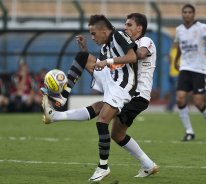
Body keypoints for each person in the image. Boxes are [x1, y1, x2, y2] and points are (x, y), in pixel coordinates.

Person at [41, 13, 159, 182]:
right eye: (125, 25)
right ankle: (148, 164)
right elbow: (100, 65)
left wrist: (114, 57)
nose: (126, 28)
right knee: (115, 132)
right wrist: (86, 53)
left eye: (129, 25)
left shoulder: (145, 41)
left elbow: (137, 55)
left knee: (103, 119)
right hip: (120, 85)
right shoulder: (112, 44)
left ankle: (103, 167)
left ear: (139, 28)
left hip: (137, 93)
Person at [174, 4, 206, 142]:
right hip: (185, 68)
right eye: (185, 12)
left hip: (200, 69)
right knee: (180, 98)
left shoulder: (202, 28)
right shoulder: (179, 30)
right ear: (182, 14)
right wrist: (176, 61)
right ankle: (189, 131)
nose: (187, 14)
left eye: (189, 12)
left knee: (198, 101)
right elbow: (180, 47)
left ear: (193, 14)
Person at [166, 43, 180, 112]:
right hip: (171, 74)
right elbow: (169, 61)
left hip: (178, 74)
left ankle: (170, 107)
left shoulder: (180, 51)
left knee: (174, 91)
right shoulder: (171, 50)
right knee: (173, 91)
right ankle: (185, 106)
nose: (173, 44)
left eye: (175, 43)